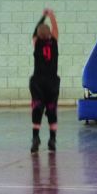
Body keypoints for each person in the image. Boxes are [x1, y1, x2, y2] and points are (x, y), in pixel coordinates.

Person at [29, 9, 60, 153]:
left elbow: (35, 31)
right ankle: (52, 139)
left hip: (38, 82)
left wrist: (42, 17)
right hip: (52, 81)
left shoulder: (36, 43)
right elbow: (55, 28)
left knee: (37, 108)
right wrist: (51, 16)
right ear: (48, 33)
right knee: (52, 109)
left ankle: (35, 138)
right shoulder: (54, 41)